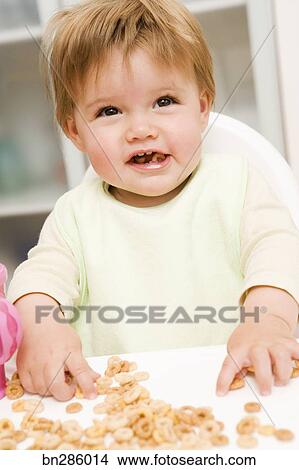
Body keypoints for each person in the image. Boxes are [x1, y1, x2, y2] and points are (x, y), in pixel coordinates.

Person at [7, 0, 299, 402]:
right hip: (112, 403)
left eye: (164, 102)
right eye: (109, 111)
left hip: (235, 390)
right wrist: (41, 332)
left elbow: (278, 253)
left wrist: (269, 323)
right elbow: (37, 281)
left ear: (201, 108)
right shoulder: (75, 215)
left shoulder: (238, 184)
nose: (141, 129)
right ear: (75, 131)